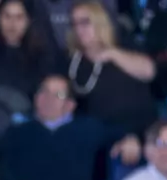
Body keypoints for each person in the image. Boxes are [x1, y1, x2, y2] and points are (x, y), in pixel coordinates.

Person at [0, 74, 110, 180]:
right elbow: (0, 167)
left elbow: (117, 138)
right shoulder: (17, 132)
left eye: (58, 95)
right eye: (43, 92)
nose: (48, 99)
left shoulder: (91, 129)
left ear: (70, 104)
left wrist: (128, 140)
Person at [63, 1, 159, 138]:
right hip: (101, 135)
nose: (79, 29)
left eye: (85, 22)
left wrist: (112, 54)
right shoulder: (73, 61)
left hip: (141, 130)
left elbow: (149, 71)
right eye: (74, 24)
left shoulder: (125, 43)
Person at [0, 0, 60, 133]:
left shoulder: (42, 55)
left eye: (19, 17)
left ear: (28, 20)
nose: (12, 24)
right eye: (7, 16)